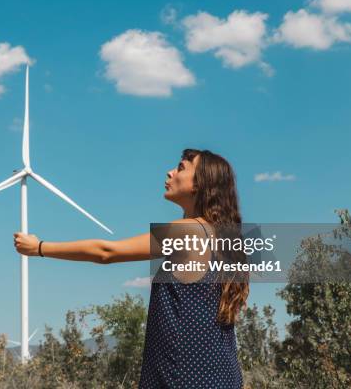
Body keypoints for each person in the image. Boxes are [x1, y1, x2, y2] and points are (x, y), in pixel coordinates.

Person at [14, 149, 247, 388]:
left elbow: (107, 252)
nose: (170, 172)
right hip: (222, 375)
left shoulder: (187, 232)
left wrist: (39, 247)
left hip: (184, 377)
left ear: (200, 184)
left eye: (181, 168)